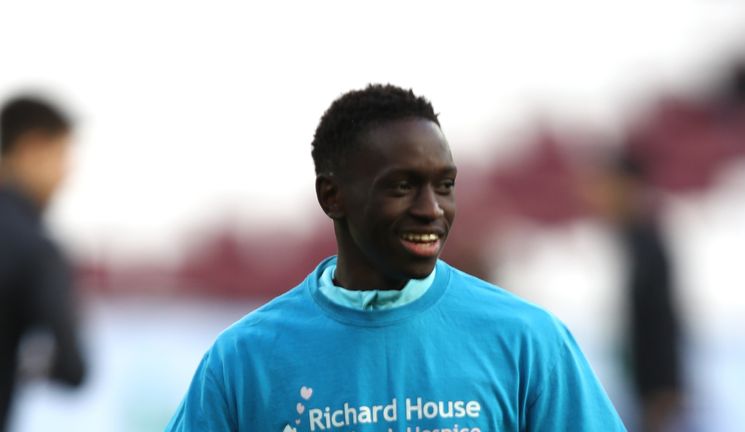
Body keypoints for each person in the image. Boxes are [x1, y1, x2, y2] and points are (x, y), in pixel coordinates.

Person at [166, 84, 625, 431]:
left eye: (444, 185)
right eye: (402, 186)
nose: (431, 209)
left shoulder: (529, 342)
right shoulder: (244, 360)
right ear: (332, 196)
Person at [0, 96, 86, 430]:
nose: (67, 175)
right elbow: (73, 368)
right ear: (33, 149)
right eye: (62, 156)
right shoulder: (36, 249)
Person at [588, 152, 683, 432]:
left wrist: (665, 386)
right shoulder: (620, 240)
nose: (599, 195)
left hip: (646, 392)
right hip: (624, 390)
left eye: (607, 186)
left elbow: (661, 320)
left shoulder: (647, 244)